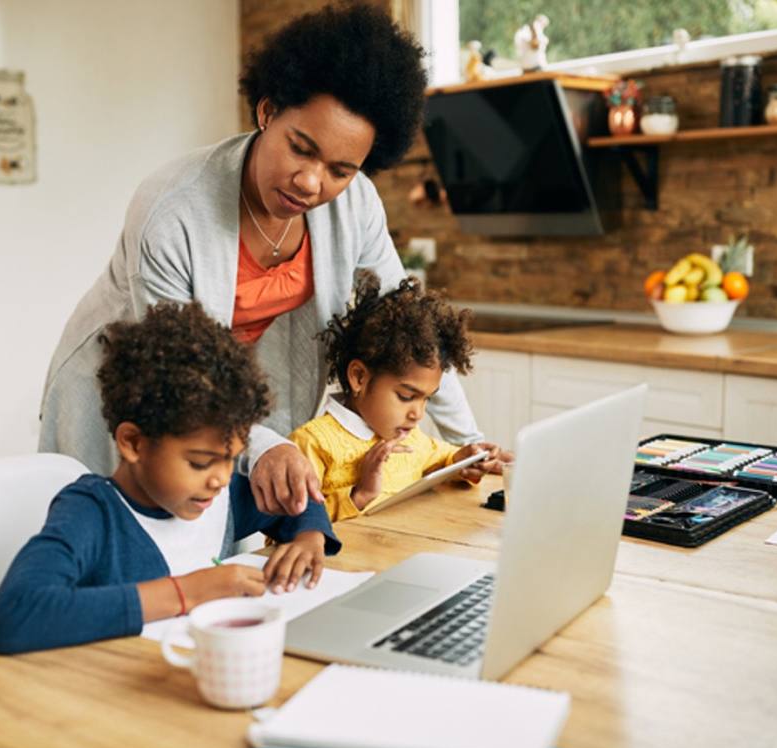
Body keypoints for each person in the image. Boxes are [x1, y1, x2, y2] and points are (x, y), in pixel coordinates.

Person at [38, 3, 491, 518]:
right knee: (118, 540)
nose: (312, 182)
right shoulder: (172, 211)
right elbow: (175, 365)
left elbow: (419, 331)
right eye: (301, 148)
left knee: (228, 540)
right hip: (134, 383)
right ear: (267, 111)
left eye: (341, 169)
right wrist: (264, 443)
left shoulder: (355, 203)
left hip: (228, 395)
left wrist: (468, 442)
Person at [0, 303, 340, 654]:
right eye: (201, 462)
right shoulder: (92, 514)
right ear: (134, 443)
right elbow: (16, 614)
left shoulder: (216, 496)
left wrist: (308, 539)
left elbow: (296, 501)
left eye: (232, 459)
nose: (221, 478)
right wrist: (186, 592)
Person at [289, 273, 505, 521]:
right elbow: (289, 530)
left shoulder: (411, 437)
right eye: (406, 396)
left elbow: (444, 458)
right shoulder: (311, 444)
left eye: (427, 399)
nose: (418, 414)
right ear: (359, 377)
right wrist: (360, 495)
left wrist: (466, 460)